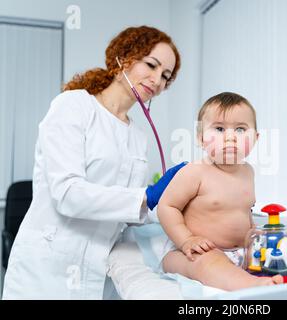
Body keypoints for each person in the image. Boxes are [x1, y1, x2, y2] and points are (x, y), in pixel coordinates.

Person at [2, 26, 186, 299]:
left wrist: (174, 205)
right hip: (48, 268)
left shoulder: (138, 136)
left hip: (100, 271)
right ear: (124, 57)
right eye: (151, 65)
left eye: (165, 76)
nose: (157, 80)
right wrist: (144, 197)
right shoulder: (73, 106)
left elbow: (128, 212)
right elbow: (68, 194)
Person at [157, 92, 287, 291]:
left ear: (256, 139)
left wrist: (257, 238)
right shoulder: (194, 172)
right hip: (193, 252)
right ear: (201, 138)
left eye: (240, 129)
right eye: (219, 129)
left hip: (242, 250)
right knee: (208, 263)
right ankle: (251, 284)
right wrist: (186, 240)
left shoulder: (247, 172)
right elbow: (168, 206)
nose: (230, 137)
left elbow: (242, 211)